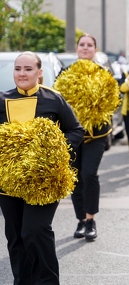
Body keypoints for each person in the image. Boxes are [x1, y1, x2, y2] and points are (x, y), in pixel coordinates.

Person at [0, 52, 84, 284]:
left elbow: (76, 130)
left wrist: (52, 153)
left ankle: (48, 281)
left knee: (35, 231)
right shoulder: (2, 99)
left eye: (28, 69)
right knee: (15, 237)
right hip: (9, 183)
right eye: (18, 69)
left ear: (39, 73)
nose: (22, 73)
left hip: (44, 181)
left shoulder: (54, 99)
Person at [68, 34, 119, 240]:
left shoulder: (104, 73)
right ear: (77, 48)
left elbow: (113, 102)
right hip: (73, 134)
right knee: (75, 177)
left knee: (89, 174)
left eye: (90, 45)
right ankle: (80, 220)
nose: (86, 48)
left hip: (96, 134)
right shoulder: (67, 73)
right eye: (82, 44)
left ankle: (91, 219)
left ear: (95, 50)